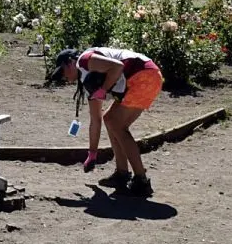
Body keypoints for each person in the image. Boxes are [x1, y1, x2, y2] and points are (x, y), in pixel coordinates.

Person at [52, 46, 164, 197]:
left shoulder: (85, 60)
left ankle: (141, 180)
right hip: (145, 77)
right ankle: (122, 173)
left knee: (116, 124)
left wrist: (104, 89)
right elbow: (95, 120)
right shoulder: (87, 80)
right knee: (109, 119)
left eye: (63, 71)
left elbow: (118, 66)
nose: (63, 76)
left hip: (144, 75)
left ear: (71, 62)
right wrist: (92, 154)